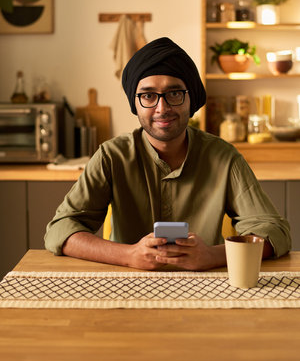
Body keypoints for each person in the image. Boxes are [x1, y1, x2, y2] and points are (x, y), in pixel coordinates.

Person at [45, 37, 291, 271]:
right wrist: (129, 255)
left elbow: (274, 232)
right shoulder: (111, 156)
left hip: (208, 289)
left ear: (190, 99)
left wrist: (211, 256)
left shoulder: (224, 157)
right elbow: (60, 229)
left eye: (174, 94)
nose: (162, 108)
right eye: (148, 95)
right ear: (135, 102)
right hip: (124, 288)